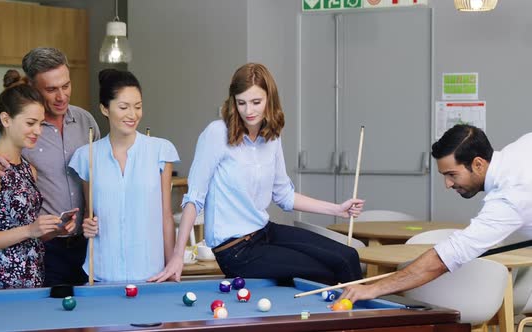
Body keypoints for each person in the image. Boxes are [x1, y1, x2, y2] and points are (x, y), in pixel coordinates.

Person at [150, 63, 364, 284]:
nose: (249, 111)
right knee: (326, 274)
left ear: (269, 100)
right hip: (236, 250)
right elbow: (194, 198)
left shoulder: (271, 136)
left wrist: (338, 209)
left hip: (264, 232)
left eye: (256, 102)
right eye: (241, 103)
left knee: (347, 257)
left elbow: (284, 196)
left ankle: (363, 316)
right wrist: (177, 256)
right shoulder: (216, 133)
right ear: (233, 102)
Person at [0, 48, 100, 286]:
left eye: (66, 86)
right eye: (51, 89)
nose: (62, 96)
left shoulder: (86, 122)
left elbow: (95, 177)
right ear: (33, 86)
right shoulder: (12, 127)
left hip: (82, 244)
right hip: (43, 254)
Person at [339, 124, 532, 303]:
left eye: (452, 174)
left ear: (478, 164)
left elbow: (444, 259)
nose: (447, 184)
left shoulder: (509, 197)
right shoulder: (522, 147)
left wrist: (372, 289)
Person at [69, 69, 179, 282]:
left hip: (151, 275)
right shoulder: (87, 155)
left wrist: (171, 268)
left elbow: (166, 216)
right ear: (105, 109)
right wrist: (87, 225)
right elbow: (89, 215)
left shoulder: (160, 151)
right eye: (123, 107)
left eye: (137, 107)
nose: (133, 114)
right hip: (102, 273)